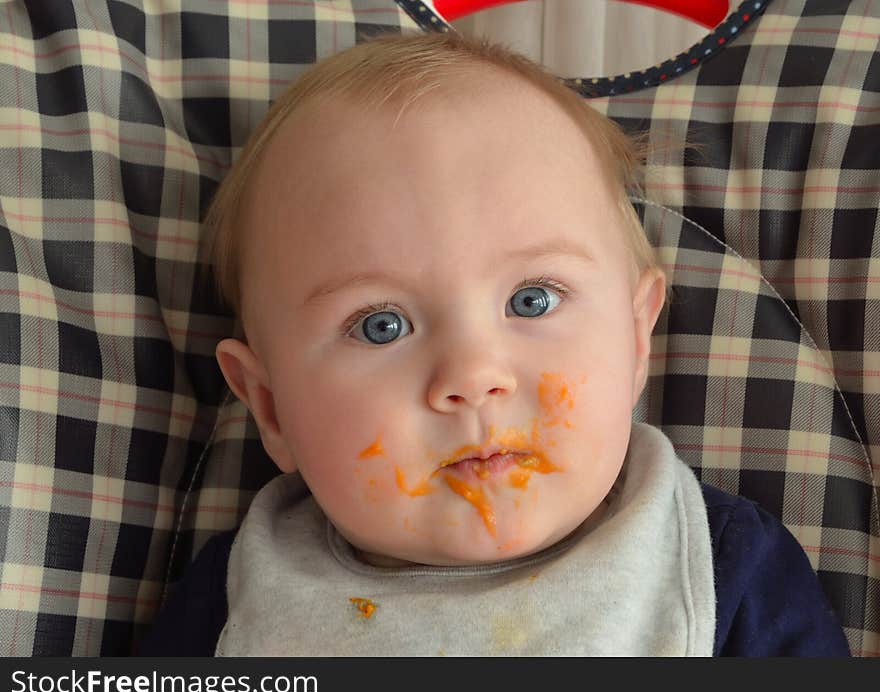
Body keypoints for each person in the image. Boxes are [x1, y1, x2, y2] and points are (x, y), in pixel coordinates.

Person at [140, 31, 849, 656]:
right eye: (380, 324)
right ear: (270, 407)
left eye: (531, 299)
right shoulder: (236, 600)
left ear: (636, 338)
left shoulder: (719, 569)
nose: (474, 375)